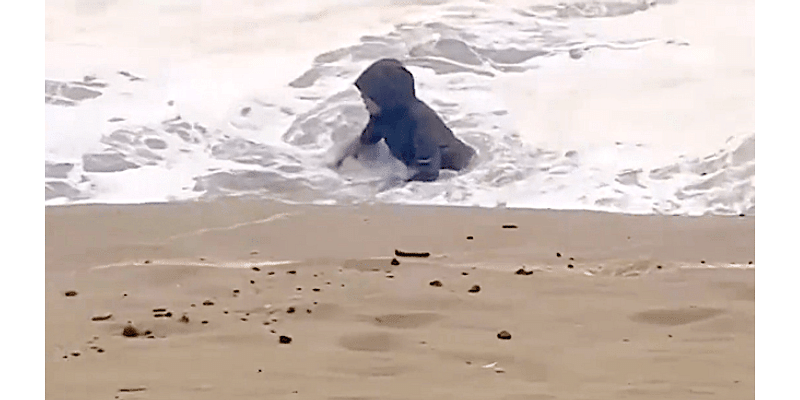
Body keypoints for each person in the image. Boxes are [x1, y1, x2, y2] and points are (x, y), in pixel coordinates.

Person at [333, 58, 476, 182]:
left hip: (460, 170)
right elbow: (365, 141)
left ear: (385, 98)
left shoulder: (419, 121)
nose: (363, 100)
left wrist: (395, 189)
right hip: (426, 166)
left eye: (367, 96)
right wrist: (338, 162)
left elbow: (428, 172)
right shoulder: (382, 116)